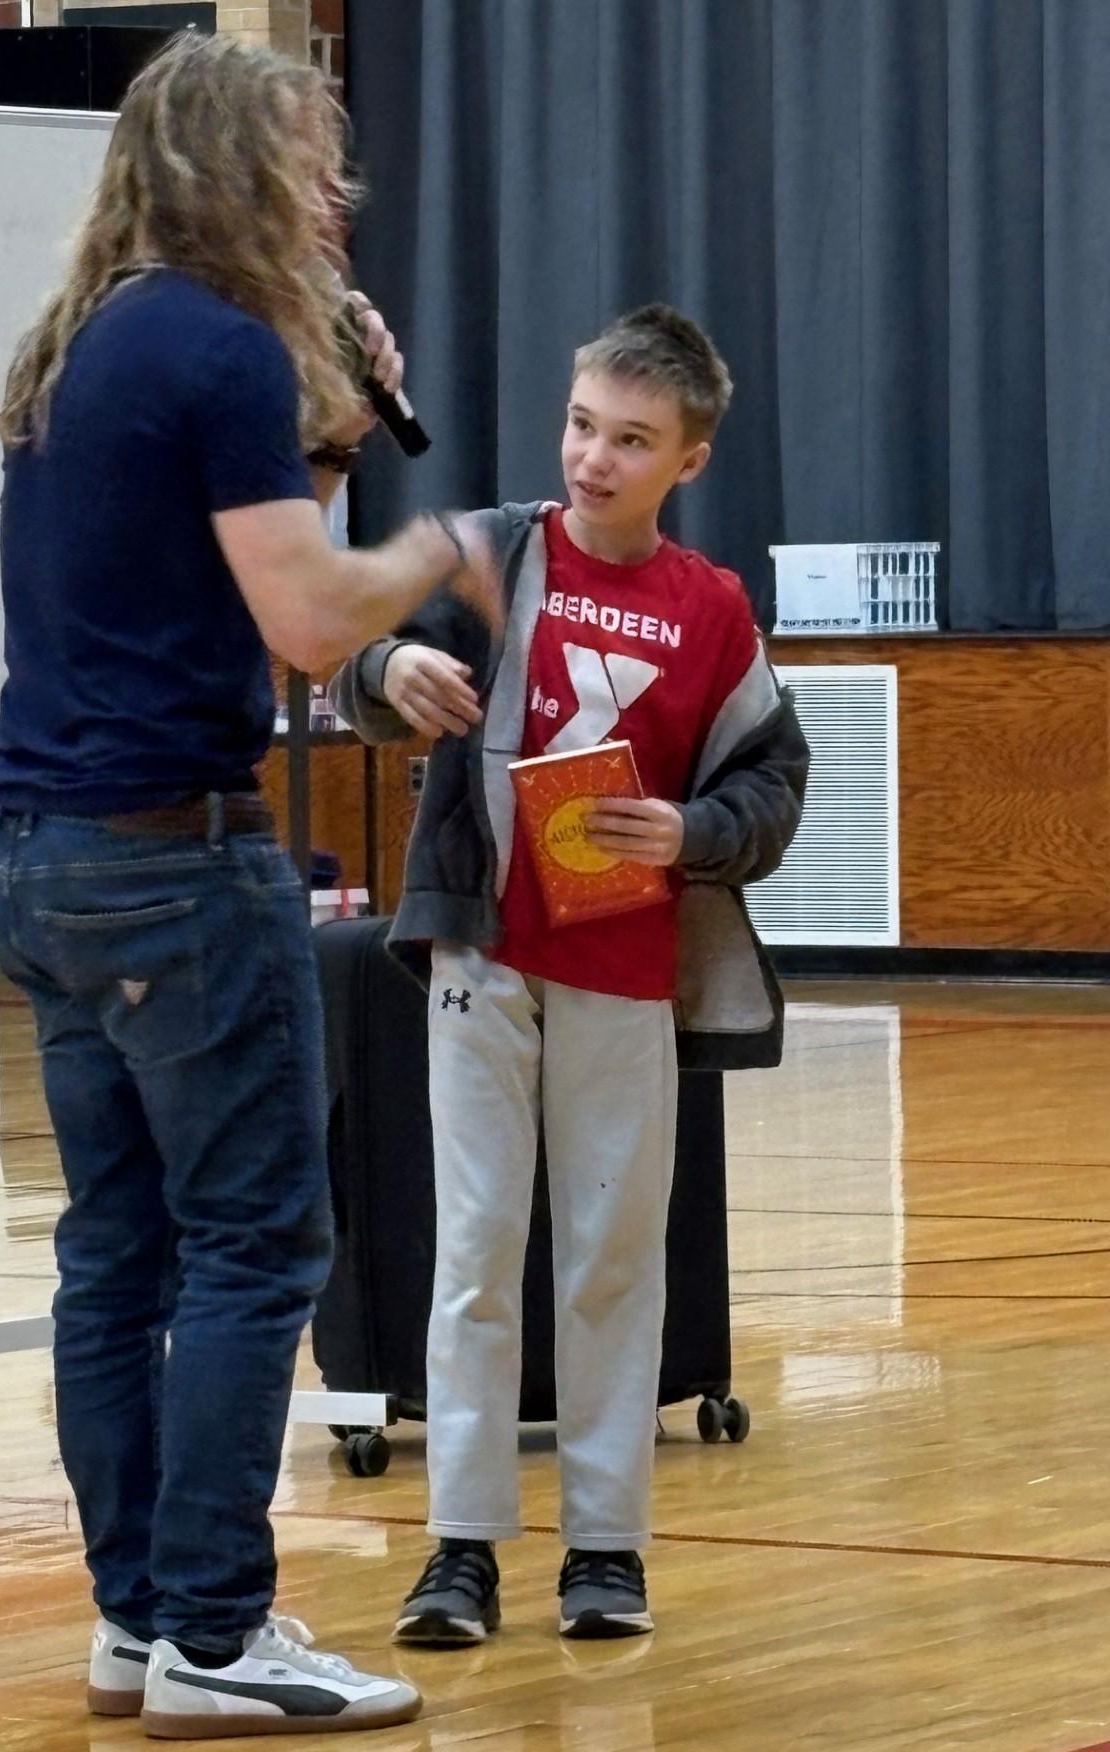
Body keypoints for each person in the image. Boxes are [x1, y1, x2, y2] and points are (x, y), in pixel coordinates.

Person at [0, 32, 495, 1739]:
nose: (334, 196)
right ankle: (216, 1626)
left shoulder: (90, 341)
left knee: (117, 1256)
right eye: (308, 164)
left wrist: (332, 435)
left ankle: (139, 1620)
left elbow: (234, 573)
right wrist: (441, 546)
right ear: (245, 176)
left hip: (40, 850)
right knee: (257, 1243)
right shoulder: (215, 347)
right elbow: (311, 624)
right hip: (169, 863)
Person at [333, 304, 809, 1646]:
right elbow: (345, 655)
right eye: (583, 426)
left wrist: (695, 830)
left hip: (627, 969)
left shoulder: (713, 610)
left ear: (689, 462)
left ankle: (606, 1548)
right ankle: (461, 1549)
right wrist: (391, 668)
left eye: (633, 440)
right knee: (477, 1248)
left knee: (610, 1256)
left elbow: (774, 779)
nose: (596, 458)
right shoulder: (489, 551)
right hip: (483, 955)